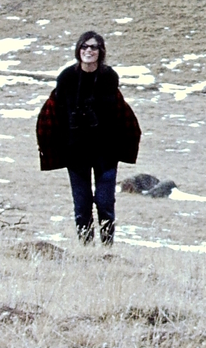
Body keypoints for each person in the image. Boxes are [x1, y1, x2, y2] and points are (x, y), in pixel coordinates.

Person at [36, 32, 141, 246]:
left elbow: (123, 117)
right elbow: (50, 116)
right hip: (76, 152)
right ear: (78, 50)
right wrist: (55, 149)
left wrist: (124, 148)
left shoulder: (109, 79)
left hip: (105, 153)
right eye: (84, 46)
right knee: (82, 206)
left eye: (94, 47)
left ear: (101, 52)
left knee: (105, 203)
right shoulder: (66, 79)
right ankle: (86, 249)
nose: (89, 51)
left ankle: (107, 249)